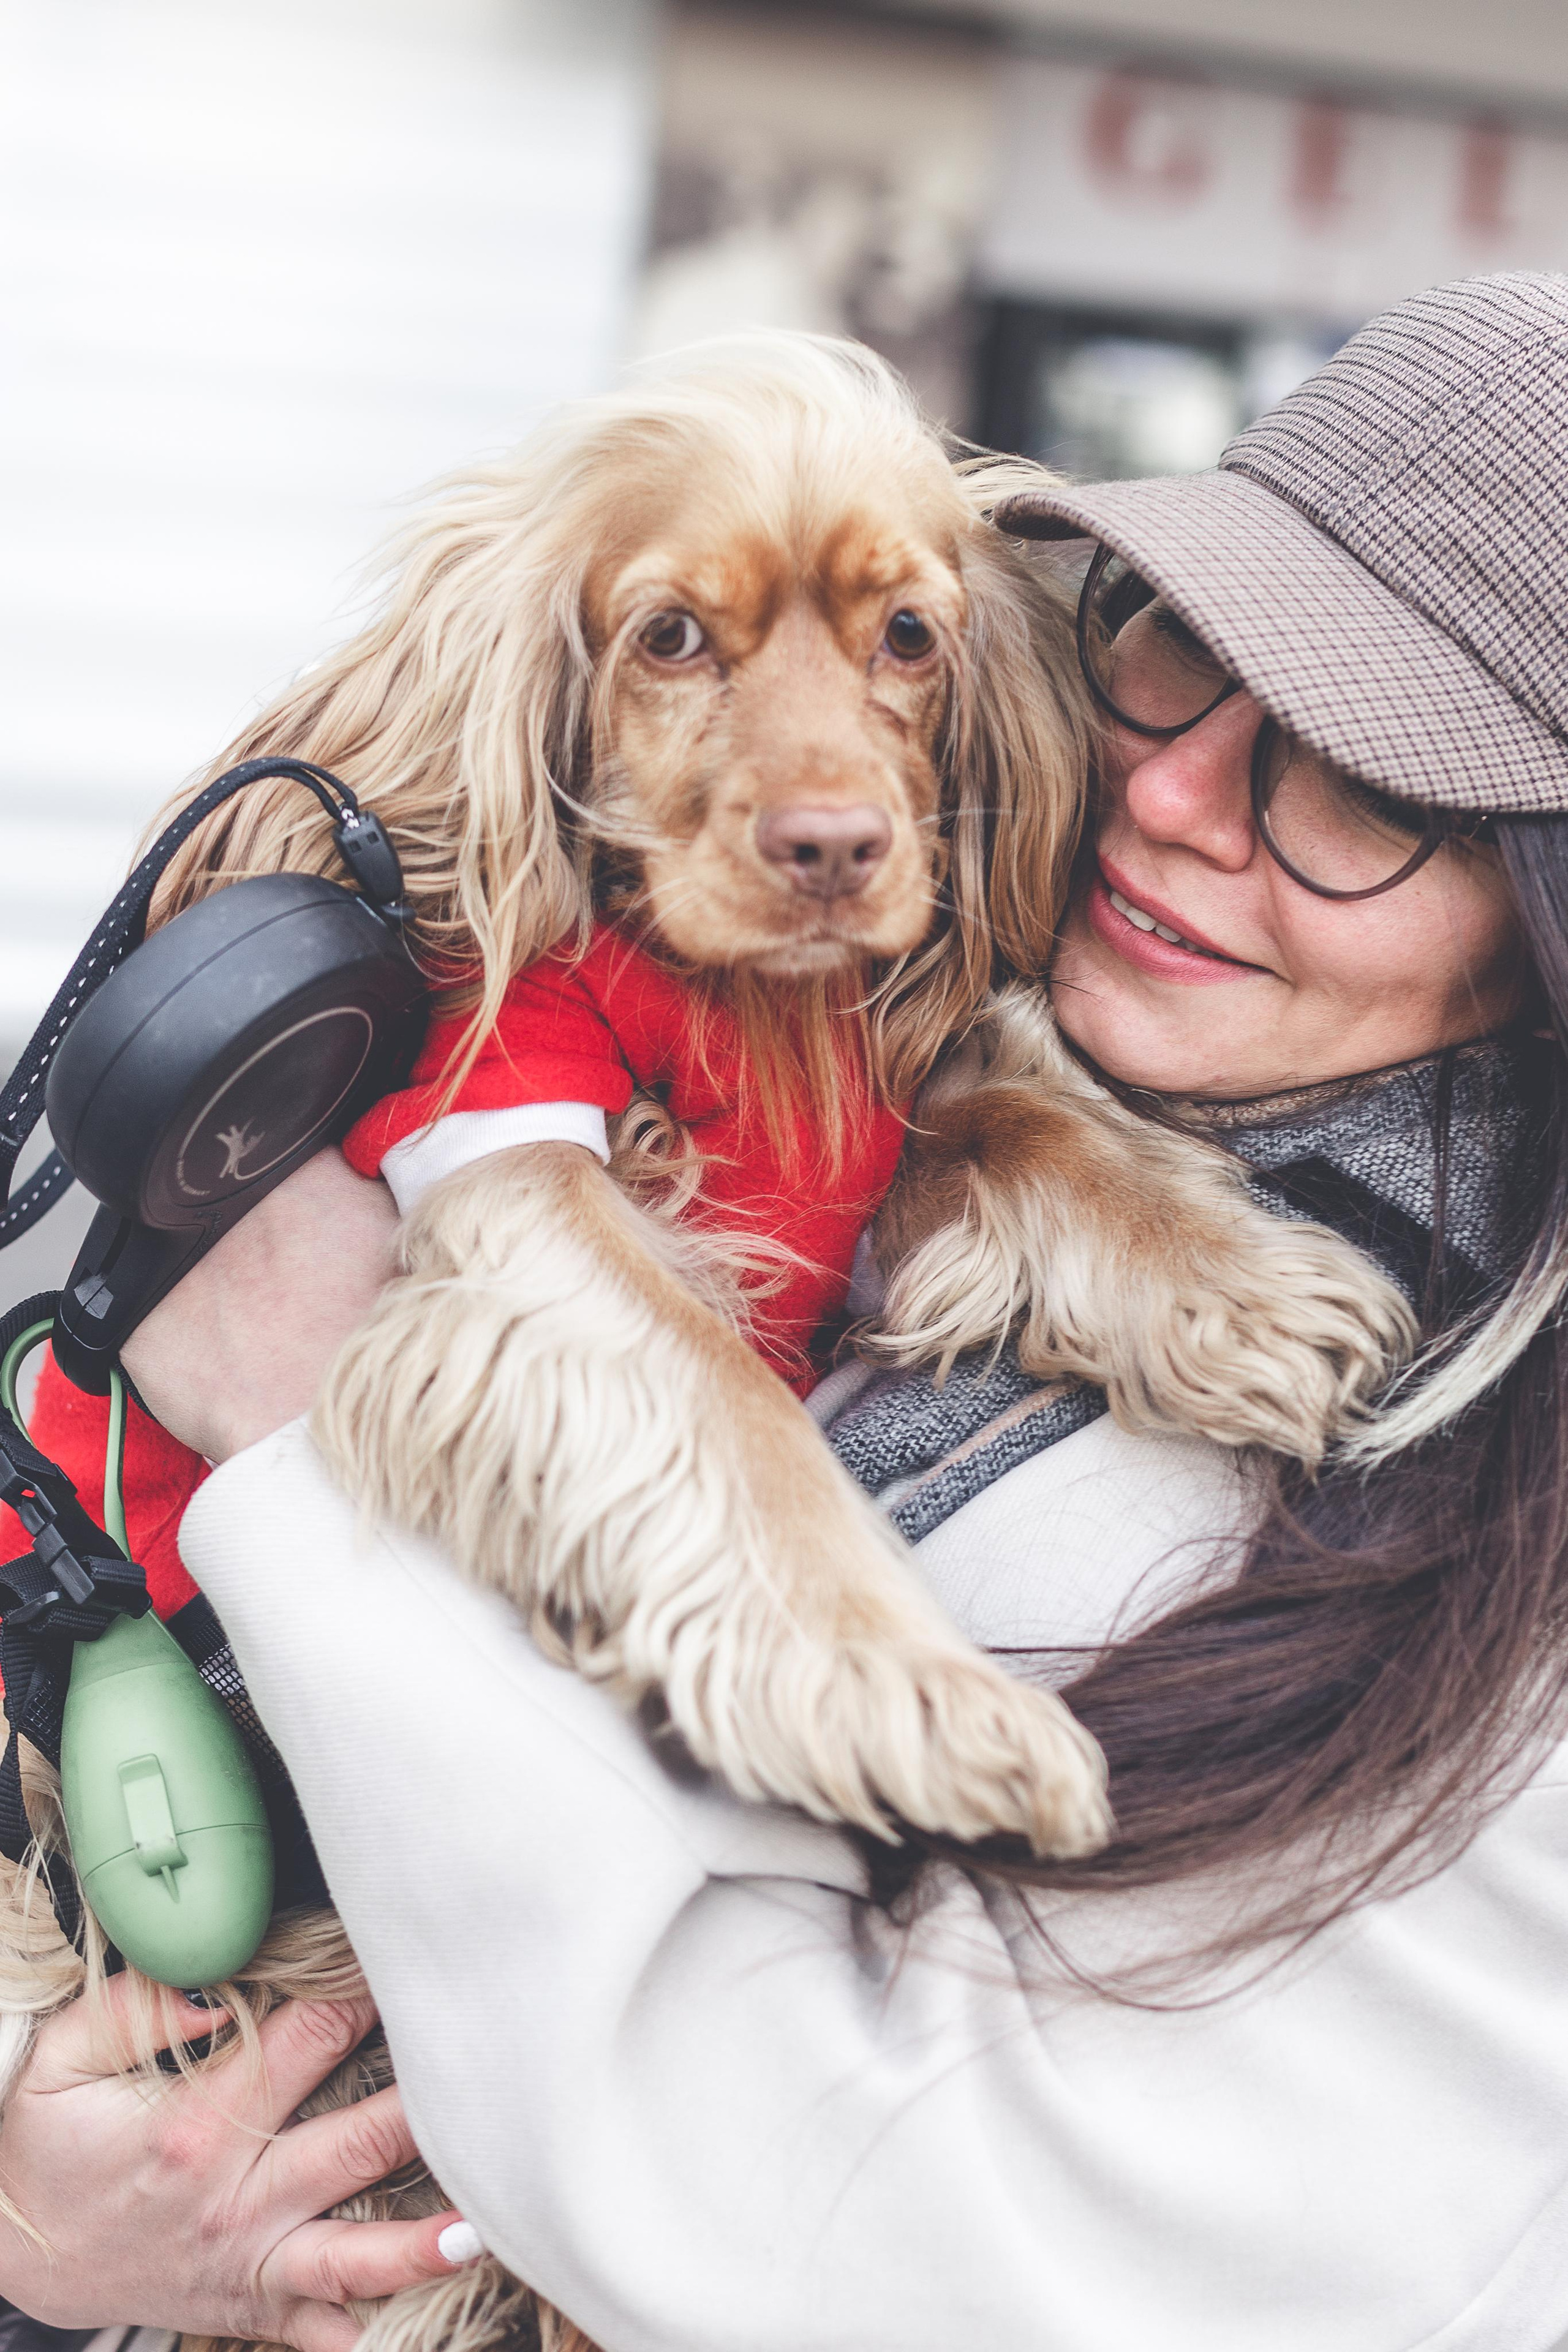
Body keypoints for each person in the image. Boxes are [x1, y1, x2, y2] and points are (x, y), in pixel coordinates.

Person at [8, 269, 1568, 2350]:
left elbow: (901, 2271)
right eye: (1184, 651)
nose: (1181, 797)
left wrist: (311, 1440)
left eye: (1367, 780)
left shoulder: (1504, 1584)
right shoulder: (961, 1032)